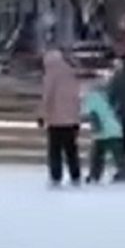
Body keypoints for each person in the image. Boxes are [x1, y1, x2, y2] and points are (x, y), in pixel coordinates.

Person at [40, 48, 82, 187]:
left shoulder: (51, 75)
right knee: (71, 149)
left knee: (55, 150)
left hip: (56, 120)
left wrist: (42, 114)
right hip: (71, 119)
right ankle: (75, 175)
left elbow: (48, 96)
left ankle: (56, 176)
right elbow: (76, 96)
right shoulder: (71, 72)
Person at [81, 80, 124, 183]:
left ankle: (94, 175)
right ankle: (123, 172)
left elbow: (86, 113)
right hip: (115, 128)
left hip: (101, 131)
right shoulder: (109, 95)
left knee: (97, 155)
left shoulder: (90, 98)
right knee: (118, 155)